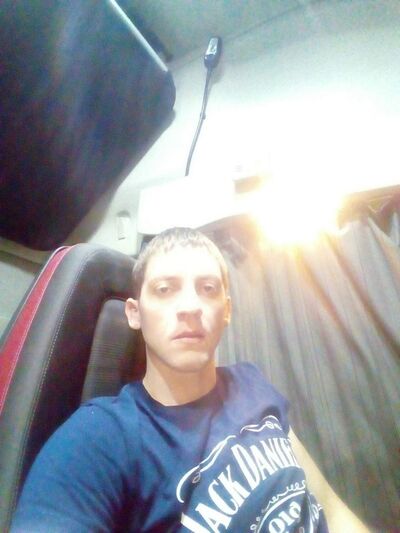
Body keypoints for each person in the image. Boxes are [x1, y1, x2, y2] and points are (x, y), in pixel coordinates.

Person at [11, 227, 370, 532]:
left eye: (208, 289)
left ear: (226, 310)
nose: (190, 307)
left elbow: (329, 506)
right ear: (134, 314)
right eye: (165, 289)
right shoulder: (97, 439)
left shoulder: (253, 383)